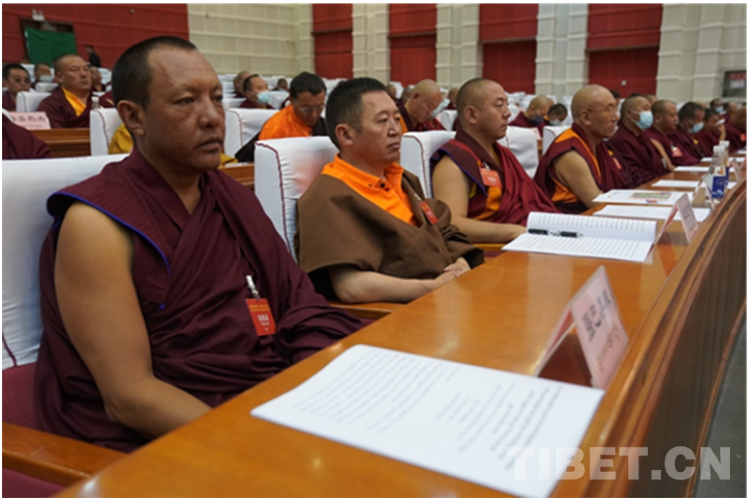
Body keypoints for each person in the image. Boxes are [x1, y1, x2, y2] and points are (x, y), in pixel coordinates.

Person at [34, 36, 363, 453]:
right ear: (134, 116)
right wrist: (264, 443)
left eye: (215, 99)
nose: (211, 118)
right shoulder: (97, 224)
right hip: (178, 438)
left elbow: (299, 305)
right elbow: (130, 396)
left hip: (273, 396)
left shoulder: (231, 197)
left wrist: (327, 394)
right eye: (186, 102)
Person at [296, 77, 483, 304]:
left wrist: (460, 264)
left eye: (396, 118)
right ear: (345, 135)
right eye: (383, 121)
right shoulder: (327, 197)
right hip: (402, 310)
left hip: (449, 294)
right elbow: (351, 286)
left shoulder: (402, 178)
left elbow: (441, 231)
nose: (396, 130)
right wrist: (433, 288)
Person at [430, 78, 557, 243]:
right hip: (491, 250)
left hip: (525, 240)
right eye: (498, 105)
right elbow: (452, 223)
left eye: (506, 105)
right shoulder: (453, 164)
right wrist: (513, 232)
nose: (508, 113)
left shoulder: (502, 154)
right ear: (472, 115)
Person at [533, 84, 627, 214]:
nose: (616, 117)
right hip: (568, 222)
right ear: (586, 117)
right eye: (608, 110)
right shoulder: (571, 154)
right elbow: (598, 206)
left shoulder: (597, 145)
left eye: (616, 109)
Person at [234, 72, 327, 161]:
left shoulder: (325, 126)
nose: (314, 114)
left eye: (319, 107)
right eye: (306, 109)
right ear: (292, 101)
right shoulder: (276, 129)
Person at [607, 95, 670, 188]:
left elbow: (659, 163)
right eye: (645, 109)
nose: (649, 114)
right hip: (644, 186)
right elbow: (634, 172)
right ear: (629, 113)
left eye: (650, 110)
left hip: (657, 182)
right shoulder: (620, 139)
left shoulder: (643, 136)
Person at [36, 54, 93, 128]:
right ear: (59, 77)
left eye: (86, 69)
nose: (84, 74)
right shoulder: (51, 105)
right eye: (74, 70)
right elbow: (57, 134)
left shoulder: (102, 101)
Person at [642, 100, 686, 167]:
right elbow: (668, 167)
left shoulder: (670, 136)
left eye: (676, 115)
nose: (676, 119)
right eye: (672, 115)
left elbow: (683, 157)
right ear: (657, 118)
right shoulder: (650, 138)